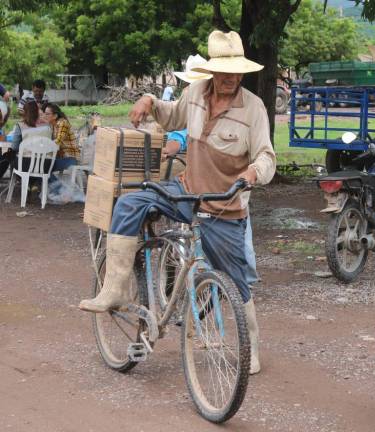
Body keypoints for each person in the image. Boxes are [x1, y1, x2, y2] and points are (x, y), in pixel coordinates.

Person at [78, 31, 276, 376]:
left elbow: (267, 157)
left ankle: (251, 347)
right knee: (129, 203)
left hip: (223, 207)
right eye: (224, 71)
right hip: (186, 194)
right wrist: (150, 101)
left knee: (237, 281)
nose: (231, 78)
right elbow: (171, 117)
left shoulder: (254, 108)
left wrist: (252, 173)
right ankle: (116, 288)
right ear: (213, 71)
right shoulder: (195, 93)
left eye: (236, 71)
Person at [163, 127, 262, 288]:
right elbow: (180, 137)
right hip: (217, 189)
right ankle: (229, 281)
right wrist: (169, 149)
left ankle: (238, 281)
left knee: (233, 236)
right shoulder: (201, 116)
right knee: (227, 235)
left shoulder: (238, 122)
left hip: (229, 192)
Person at [0, 100, 51, 179]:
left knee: (9, 156)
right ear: (38, 111)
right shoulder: (48, 125)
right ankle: (33, 183)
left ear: (24, 112)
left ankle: (21, 181)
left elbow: (15, 147)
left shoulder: (20, 125)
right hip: (46, 165)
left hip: (25, 165)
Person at [43, 103, 80, 175]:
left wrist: (42, 147)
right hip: (62, 157)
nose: (44, 116)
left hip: (70, 159)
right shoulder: (52, 125)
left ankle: (57, 186)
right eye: (44, 113)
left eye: (47, 114)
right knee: (41, 164)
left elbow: (57, 142)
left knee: (43, 166)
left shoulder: (63, 123)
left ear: (55, 116)